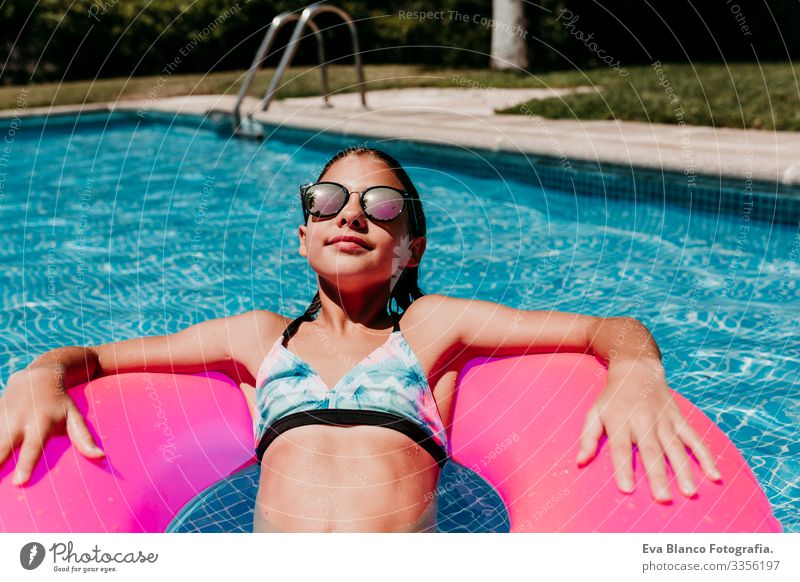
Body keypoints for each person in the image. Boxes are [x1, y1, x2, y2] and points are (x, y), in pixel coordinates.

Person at [0, 146, 721, 533]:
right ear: (304, 234)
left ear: (410, 247)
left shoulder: (432, 327)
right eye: (328, 201)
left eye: (381, 206)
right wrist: (38, 376)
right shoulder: (257, 341)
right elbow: (89, 360)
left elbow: (609, 329)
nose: (352, 215)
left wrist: (634, 373)